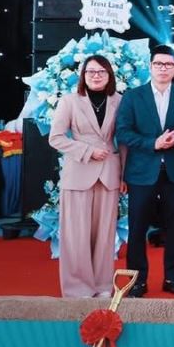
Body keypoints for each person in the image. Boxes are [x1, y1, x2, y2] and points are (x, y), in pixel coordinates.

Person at [115, 44, 174, 297]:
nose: (163, 68)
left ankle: (172, 278)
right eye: (158, 64)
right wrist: (153, 143)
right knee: (138, 228)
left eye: (168, 64)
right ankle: (137, 281)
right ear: (150, 66)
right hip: (141, 172)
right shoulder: (132, 96)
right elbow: (122, 132)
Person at [48, 54, 123, 298]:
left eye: (101, 71)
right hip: (78, 173)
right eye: (91, 71)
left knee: (104, 236)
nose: (96, 76)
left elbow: (124, 141)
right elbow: (55, 138)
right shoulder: (69, 101)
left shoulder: (120, 101)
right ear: (83, 75)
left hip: (109, 174)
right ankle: (77, 287)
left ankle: (102, 286)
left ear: (109, 75)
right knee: (76, 235)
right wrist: (88, 151)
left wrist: (124, 175)